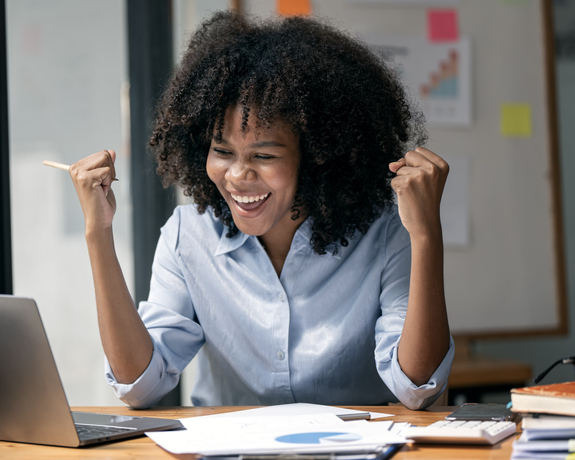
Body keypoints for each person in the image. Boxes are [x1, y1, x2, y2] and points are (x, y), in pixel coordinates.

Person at [67, 11, 454, 410]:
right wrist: (99, 233)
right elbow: (139, 386)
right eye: (222, 151)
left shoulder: (385, 234)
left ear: (319, 157)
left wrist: (426, 236)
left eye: (264, 155)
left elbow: (417, 388)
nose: (237, 175)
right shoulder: (188, 235)